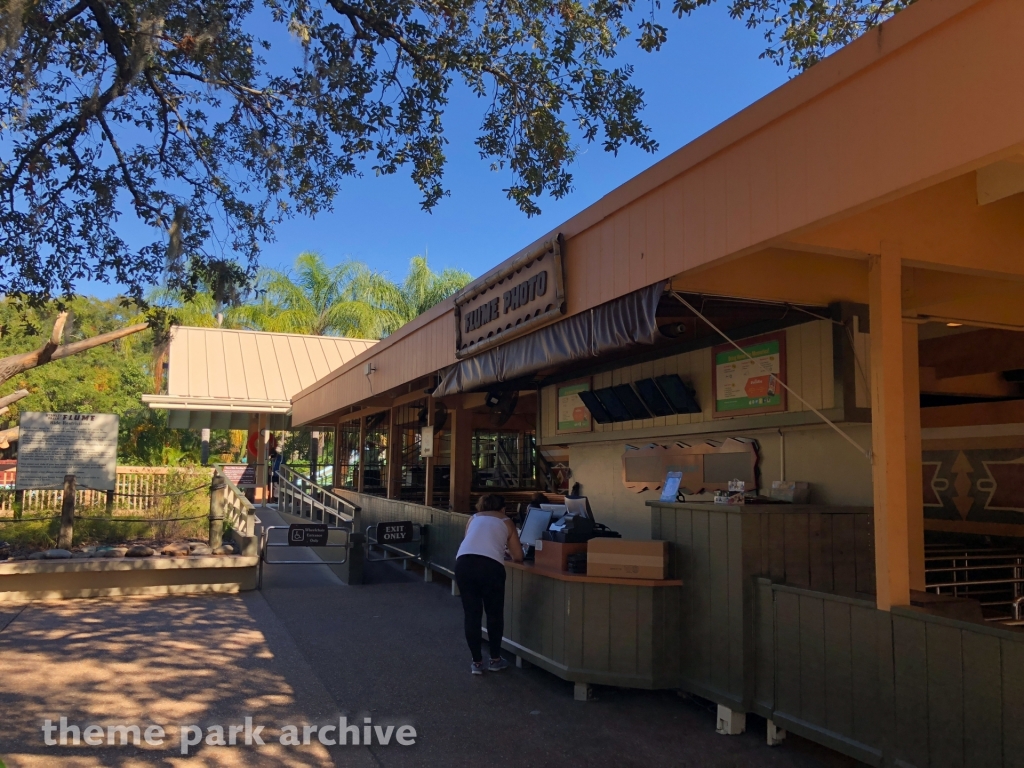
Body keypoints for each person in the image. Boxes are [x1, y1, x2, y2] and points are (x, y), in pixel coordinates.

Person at [455, 494, 524, 675]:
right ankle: (495, 659)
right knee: (494, 613)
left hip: (463, 563)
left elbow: (472, 541)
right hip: (490, 567)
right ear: (503, 508)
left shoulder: (473, 518)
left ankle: (476, 663)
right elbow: (518, 556)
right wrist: (504, 549)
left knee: (472, 614)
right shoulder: (507, 521)